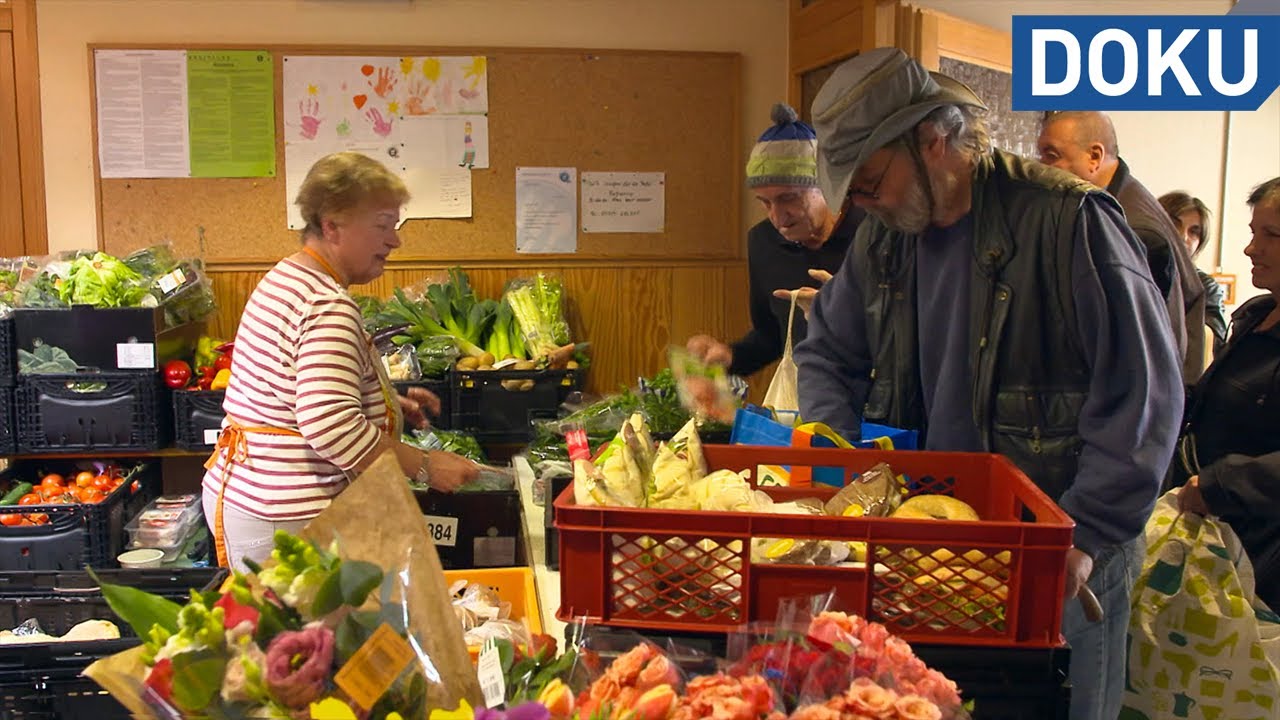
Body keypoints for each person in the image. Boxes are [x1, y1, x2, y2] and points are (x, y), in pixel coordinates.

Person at [796, 48, 1182, 720]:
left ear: (932, 139)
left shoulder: (1070, 223)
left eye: (870, 180)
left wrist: (1084, 535)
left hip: (1059, 554)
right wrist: (843, 466)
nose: (861, 202)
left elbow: (1143, 397)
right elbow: (827, 352)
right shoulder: (884, 236)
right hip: (931, 549)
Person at [202, 151, 478, 571]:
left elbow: (297, 392)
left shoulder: (288, 276)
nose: (395, 241)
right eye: (382, 226)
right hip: (291, 516)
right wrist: (425, 465)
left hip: (254, 496)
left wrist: (381, 404)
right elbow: (328, 426)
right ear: (332, 225)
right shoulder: (327, 304)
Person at [686, 102, 862, 377]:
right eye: (765, 203)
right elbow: (770, 336)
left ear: (827, 185)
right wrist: (731, 356)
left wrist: (843, 315)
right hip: (807, 398)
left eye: (788, 198)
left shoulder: (871, 233)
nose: (777, 217)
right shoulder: (763, 241)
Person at [1038, 111, 1207, 383]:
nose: (1042, 168)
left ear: (1094, 156)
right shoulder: (1118, 202)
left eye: (1052, 155)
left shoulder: (1132, 225)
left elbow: (1143, 347)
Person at [1175, 176, 1280, 610]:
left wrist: (1221, 484)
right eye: (1254, 233)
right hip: (1221, 549)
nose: (1250, 249)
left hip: (1265, 565)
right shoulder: (1256, 318)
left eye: (1271, 236)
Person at [1159, 191, 1230, 356]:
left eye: (1194, 232)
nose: (1183, 237)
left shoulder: (1205, 287)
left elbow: (1211, 347)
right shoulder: (1133, 272)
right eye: (1175, 224)